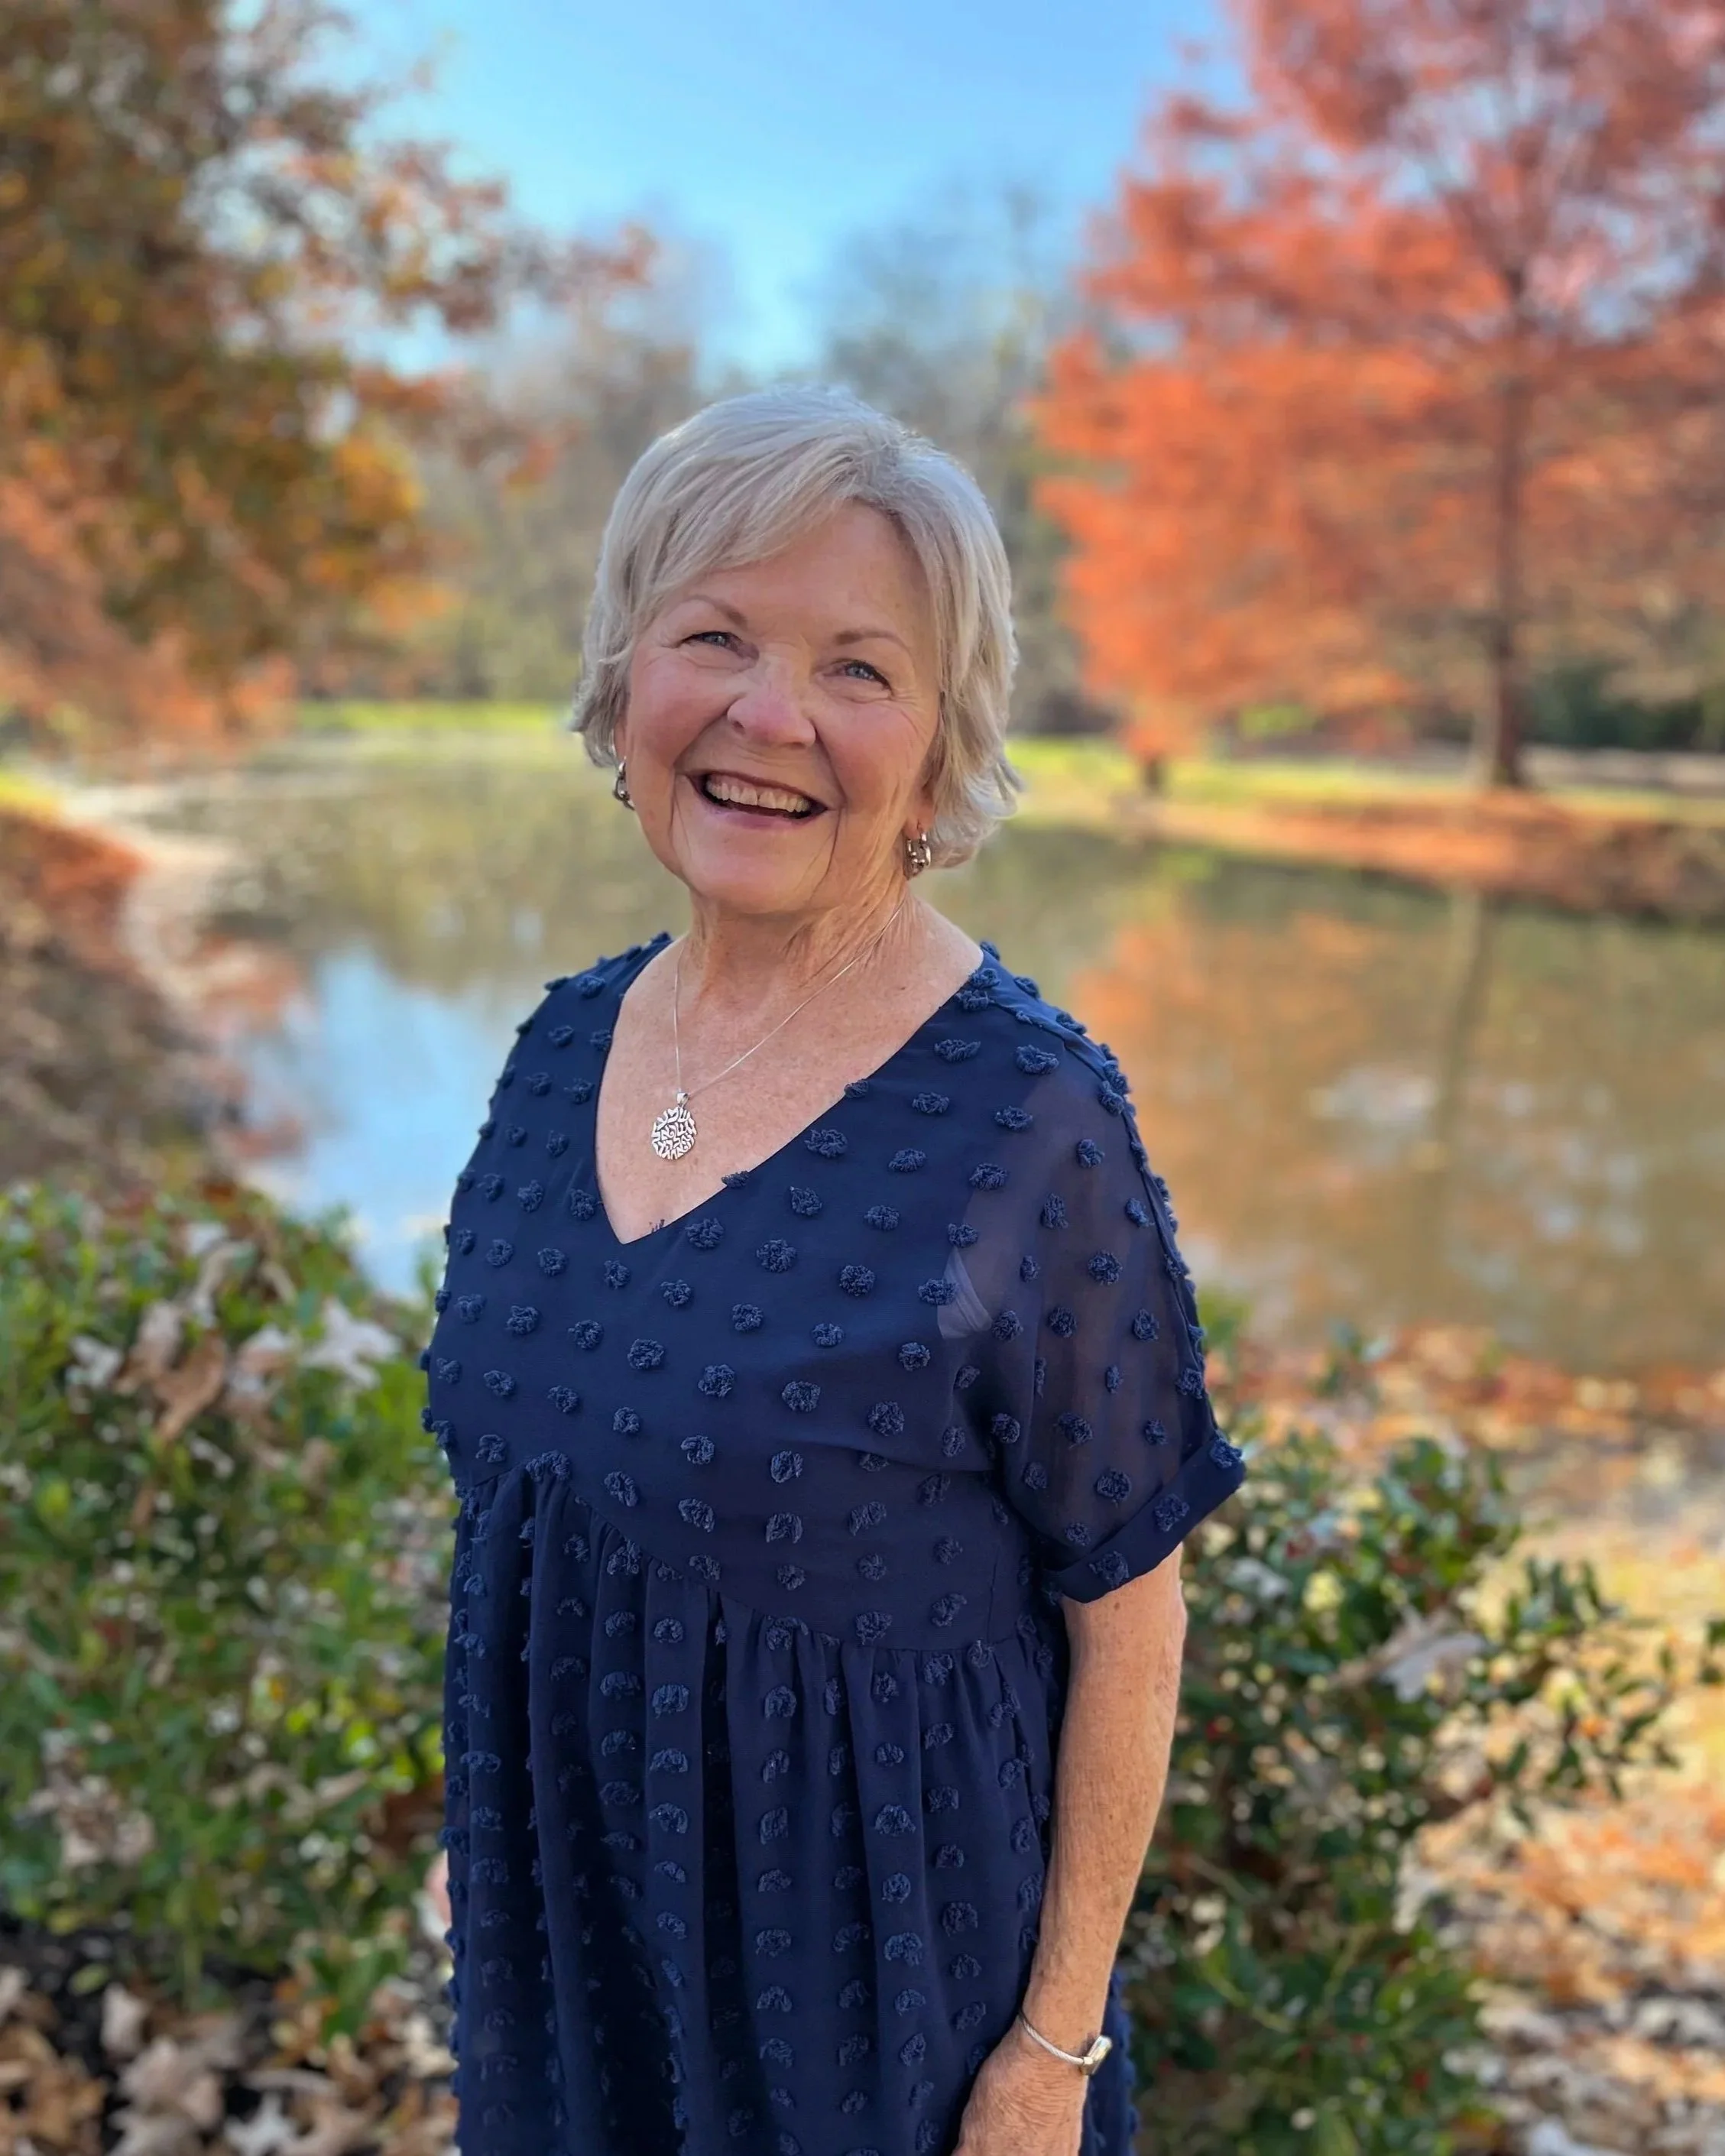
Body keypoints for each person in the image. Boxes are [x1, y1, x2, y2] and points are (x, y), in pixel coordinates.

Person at [422, 384, 1248, 2156]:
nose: (770, 716)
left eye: (859, 669)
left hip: (883, 2024)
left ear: (940, 752)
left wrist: (1053, 2051)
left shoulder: (1029, 1115)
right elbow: (529, 1509)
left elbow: (1132, 1622)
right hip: (572, 1968)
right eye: (715, 636)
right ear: (625, 680)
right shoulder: (559, 1051)